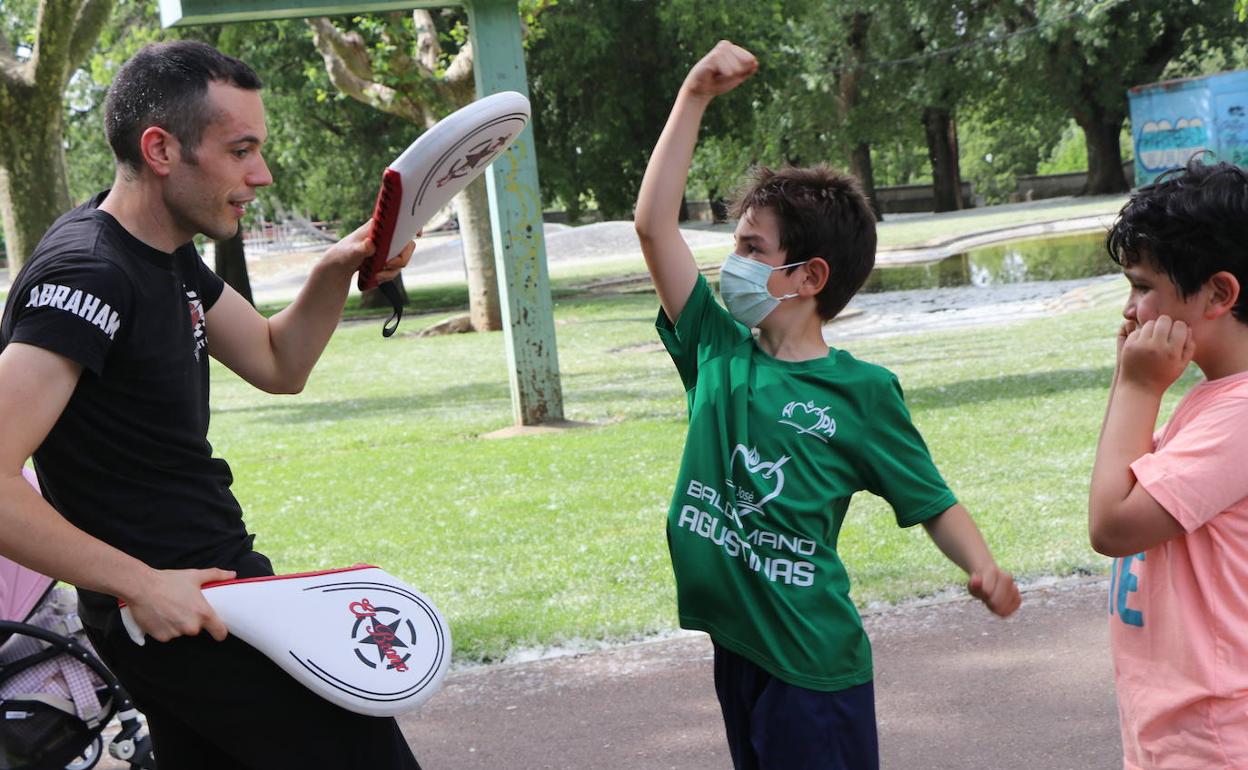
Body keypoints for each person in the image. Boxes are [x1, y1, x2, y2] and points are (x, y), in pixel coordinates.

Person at [0, 41, 421, 769]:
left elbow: (277, 362)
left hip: (207, 594)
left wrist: (336, 268)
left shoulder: (163, 251)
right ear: (161, 149)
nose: (261, 175)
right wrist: (140, 584)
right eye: (240, 151)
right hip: (179, 609)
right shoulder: (88, 273)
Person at [633, 40, 1021, 770]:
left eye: (752, 248)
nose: (733, 262)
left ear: (808, 277)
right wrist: (693, 95)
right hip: (739, 653)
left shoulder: (862, 393)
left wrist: (984, 566)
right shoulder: (716, 348)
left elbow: (930, 498)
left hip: (812, 670)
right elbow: (654, 226)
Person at [1089, 158, 1248, 769]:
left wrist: (1137, 387)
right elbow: (1125, 476)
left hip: (1217, 737)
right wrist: (1127, 378)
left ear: (1219, 294)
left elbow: (1113, 525)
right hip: (1178, 729)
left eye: (1142, 286)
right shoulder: (1212, 402)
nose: (1129, 309)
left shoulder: (1238, 419)